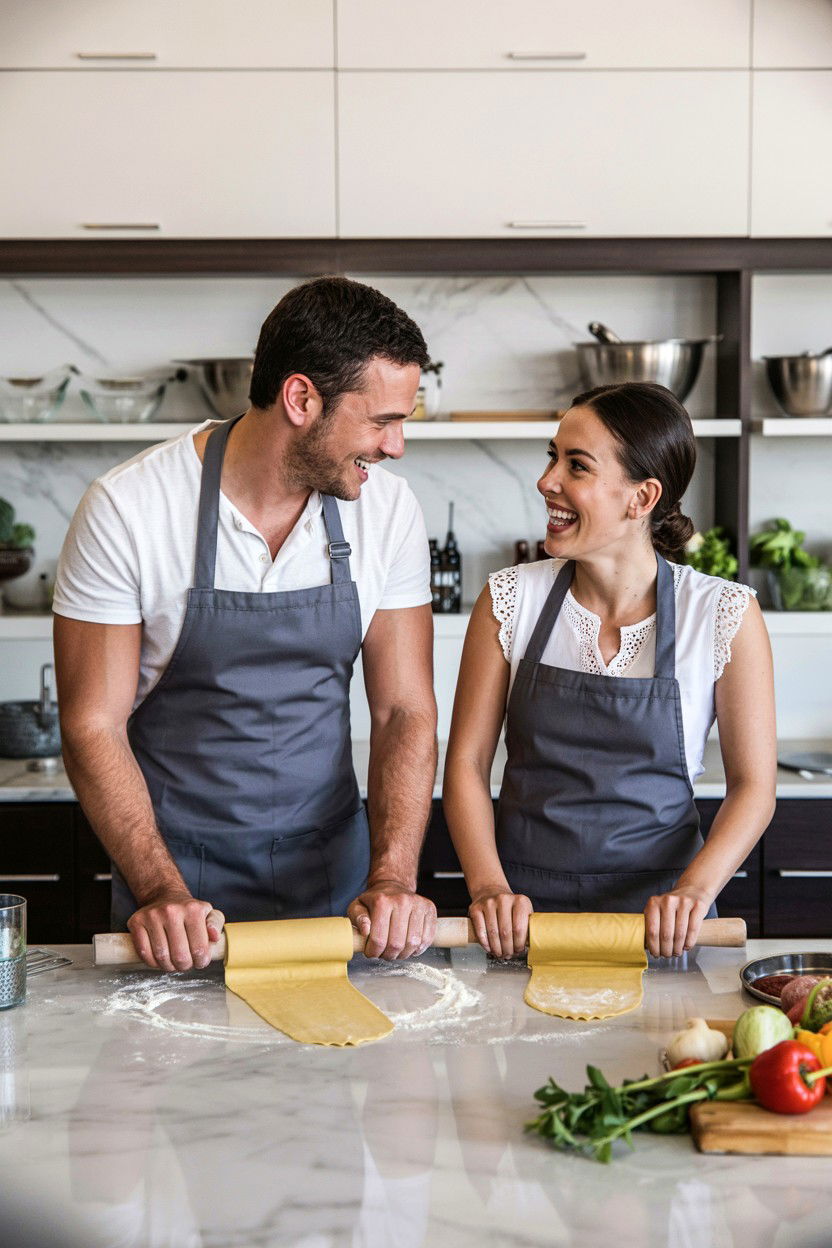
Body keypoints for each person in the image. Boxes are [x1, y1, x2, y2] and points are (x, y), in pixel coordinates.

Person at [53, 276, 439, 971]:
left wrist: (393, 878)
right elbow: (91, 724)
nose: (397, 445)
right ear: (301, 399)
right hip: (177, 895)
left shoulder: (390, 511)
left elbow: (404, 711)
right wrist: (162, 890)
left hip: (337, 888)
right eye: (382, 420)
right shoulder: (129, 508)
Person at [443, 382, 776, 959]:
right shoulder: (508, 599)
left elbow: (755, 789)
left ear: (641, 497)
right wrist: (490, 887)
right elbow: (467, 766)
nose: (547, 481)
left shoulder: (722, 613)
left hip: (662, 922)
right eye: (552, 457)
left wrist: (693, 892)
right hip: (521, 922)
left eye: (577, 466)